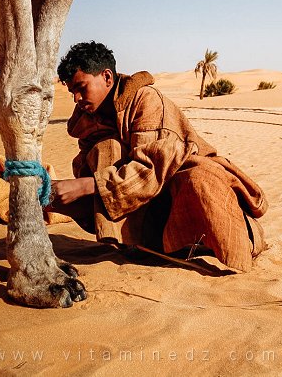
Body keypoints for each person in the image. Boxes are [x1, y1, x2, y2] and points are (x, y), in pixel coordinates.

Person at [50, 41, 267, 271]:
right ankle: (134, 241)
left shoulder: (146, 99)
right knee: (106, 148)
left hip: (180, 177)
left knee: (201, 180)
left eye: (81, 88)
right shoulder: (87, 121)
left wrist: (86, 185)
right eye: (72, 91)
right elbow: (88, 165)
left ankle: (241, 246)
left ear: (107, 77)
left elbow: (150, 168)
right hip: (140, 198)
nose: (76, 99)